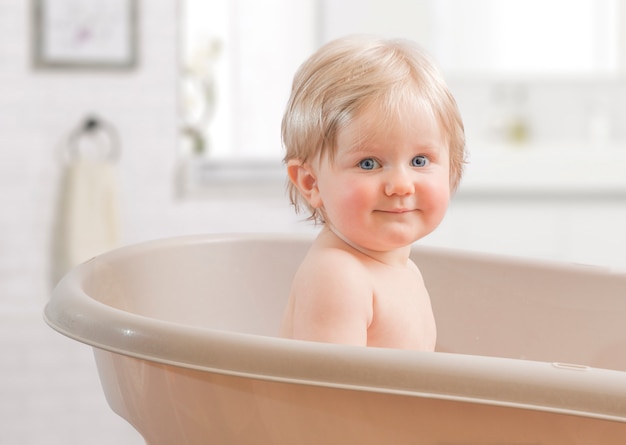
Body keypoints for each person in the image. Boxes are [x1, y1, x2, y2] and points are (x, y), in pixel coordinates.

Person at [280, 35, 466, 351]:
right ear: (312, 183)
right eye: (369, 163)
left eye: (419, 161)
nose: (401, 185)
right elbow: (327, 398)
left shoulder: (405, 270)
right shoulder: (339, 276)